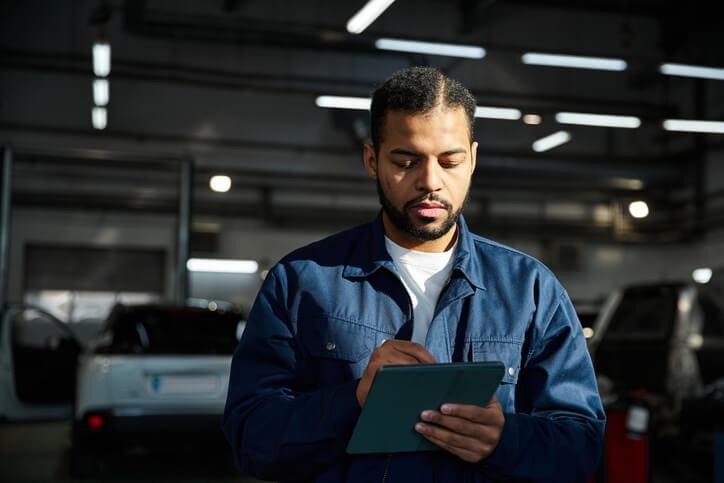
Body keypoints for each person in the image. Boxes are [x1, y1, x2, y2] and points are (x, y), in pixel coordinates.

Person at [222, 66, 605, 482]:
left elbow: (581, 444)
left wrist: (504, 439)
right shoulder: (301, 282)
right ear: (372, 160)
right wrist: (355, 399)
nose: (430, 181)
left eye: (450, 162)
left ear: (473, 160)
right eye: (406, 161)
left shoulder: (531, 290)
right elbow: (252, 439)